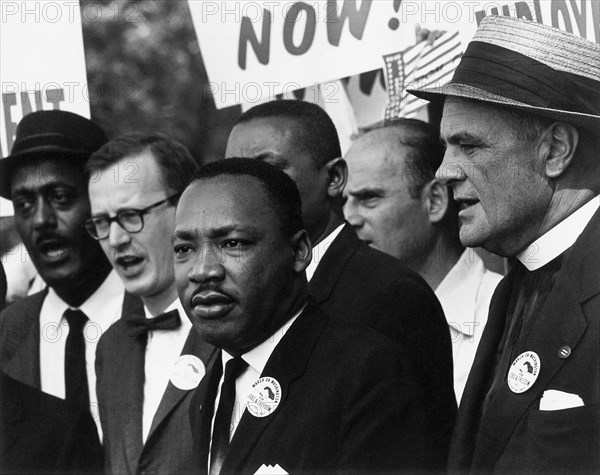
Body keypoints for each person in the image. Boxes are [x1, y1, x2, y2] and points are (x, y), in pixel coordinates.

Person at [409, 15, 600, 473]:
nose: (444, 171)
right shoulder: (516, 284)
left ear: (555, 150)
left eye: (469, 146)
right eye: (446, 147)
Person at [225, 100, 456, 469]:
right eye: (235, 173)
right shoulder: (239, 297)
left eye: (269, 171)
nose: (244, 191)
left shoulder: (391, 294)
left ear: (334, 178)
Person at [175, 158, 437, 474]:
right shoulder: (210, 385)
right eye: (183, 249)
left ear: (299, 251)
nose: (203, 270)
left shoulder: (366, 373)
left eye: (232, 243)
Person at [0, 110, 125, 472]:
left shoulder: (161, 314)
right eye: (24, 204)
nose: (41, 220)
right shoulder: (8, 332)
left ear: (102, 203)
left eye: (60, 196)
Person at [344, 118, 502, 402]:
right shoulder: (341, 319)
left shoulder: (504, 312)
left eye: (368, 198)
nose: (349, 217)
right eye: (343, 201)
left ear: (435, 201)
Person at [86, 133, 216, 474]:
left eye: (131, 215)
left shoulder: (237, 328)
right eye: (102, 222)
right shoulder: (111, 346)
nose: (115, 239)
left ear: (186, 205)